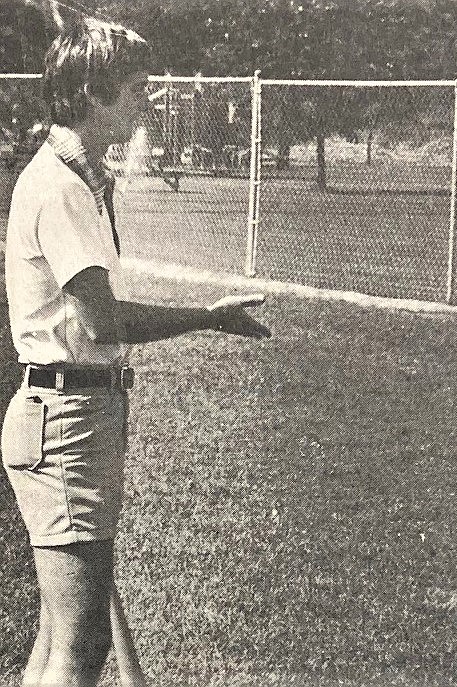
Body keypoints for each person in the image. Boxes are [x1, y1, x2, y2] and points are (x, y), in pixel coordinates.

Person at [2, 16, 270, 687]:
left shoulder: (78, 177)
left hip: (78, 415)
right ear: (92, 91)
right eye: (135, 88)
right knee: (81, 646)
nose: (145, 102)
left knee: (56, 641)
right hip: (63, 421)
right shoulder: (60, 187)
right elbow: (102, 321)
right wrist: (206, 318)